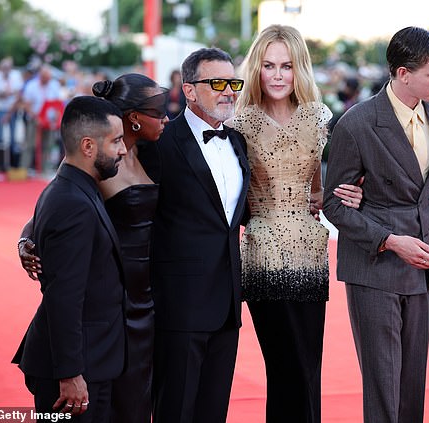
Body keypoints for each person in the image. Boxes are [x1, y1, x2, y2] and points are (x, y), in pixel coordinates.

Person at [229, 24, 362, 423]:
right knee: (285, 364)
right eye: (268, 65)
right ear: (256, 69)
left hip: (309, 250)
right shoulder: (240, 123)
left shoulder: (318, 117)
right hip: (262, 253)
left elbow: (321, 187)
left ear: (299, 68)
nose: (277, 75)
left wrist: (348, 195)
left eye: (286, 66)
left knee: (308, 366)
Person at [18, 73, 170, 423]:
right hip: (100, 317)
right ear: (133, 117)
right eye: (157, 110)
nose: (166, 118)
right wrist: (27, 240)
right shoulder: (87, 174)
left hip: (138, 305)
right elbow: (63, 292)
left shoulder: (153, 153)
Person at [322, 27, 429, 423]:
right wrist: (392, 241)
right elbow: (334, 206)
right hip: (376, 266)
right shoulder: (356, 125)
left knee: (413, 387)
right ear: (402, 74)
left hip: (420, 266)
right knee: (383, 387)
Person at [146, 47, 250, 423]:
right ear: (189, 91)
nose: (229, 91)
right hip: (178, 305)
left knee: (213, 410)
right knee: (175, 409)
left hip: (227, 305)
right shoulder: (160, 144)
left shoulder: (238, 143)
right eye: (217, 83)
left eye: (233, 82)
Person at [12, 96, 127, 422]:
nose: (123, 150)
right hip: (77, 373)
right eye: (116, 141)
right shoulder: (73, 202)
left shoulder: (74, 186)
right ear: (88, 146)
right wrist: (70, 374)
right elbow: (64, 297)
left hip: (91, 360)